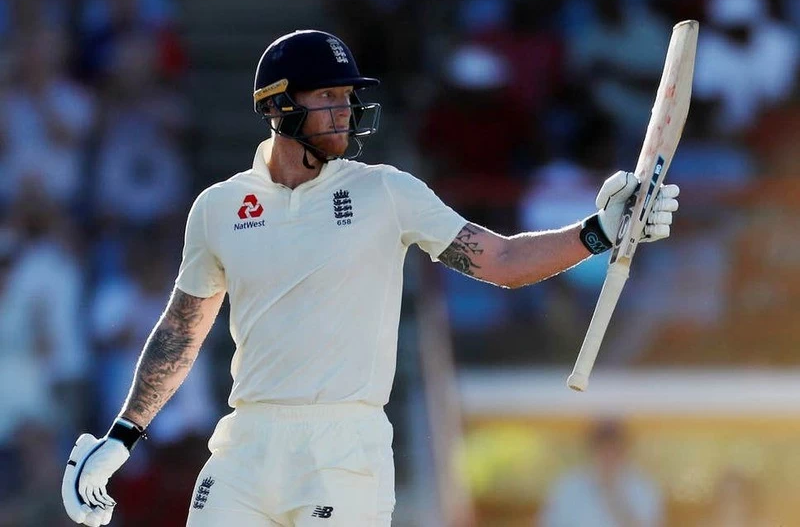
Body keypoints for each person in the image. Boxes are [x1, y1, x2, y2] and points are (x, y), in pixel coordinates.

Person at [61, 29, 680, 527]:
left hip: (344, 447)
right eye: (327, 96)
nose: (345, 110)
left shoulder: (387, 192)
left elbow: (501, 261)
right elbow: (181, 330)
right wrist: (123, 434)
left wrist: (598, 232)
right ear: (277, 105)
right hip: (246, 441)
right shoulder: (218, 208)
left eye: (347, 96)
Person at [539, 419, 663, 527]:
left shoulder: (642, 486)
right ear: (592, 449)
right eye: (602, 447)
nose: (608, 454)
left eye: (614, 447)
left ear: (625, 449)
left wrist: (613, 496)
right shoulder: (569, 485)